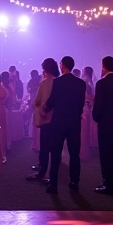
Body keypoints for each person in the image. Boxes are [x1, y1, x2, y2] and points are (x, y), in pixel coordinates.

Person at [44, 55, 87, 193]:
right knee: (75, 153)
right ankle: (74, 181)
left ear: (63, 65)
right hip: (74, 122)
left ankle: (53, 183)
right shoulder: (81, 83)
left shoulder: (58, 82)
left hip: (59, 122)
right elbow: (81, 104)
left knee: (55, 152)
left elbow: (52, 101)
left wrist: (46, 107)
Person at [92, 56, 113, 194]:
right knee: (112, 153)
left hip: (106, 123)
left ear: (103, 65)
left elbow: (98, 104)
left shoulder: (101, 83)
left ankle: (108, 183)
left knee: (105, 154)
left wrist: (95, 117)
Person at [26, 58, 59, 182]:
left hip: (45, 118)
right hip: (57, 119)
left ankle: (42, 171)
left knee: (44, 146)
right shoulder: (59, 82)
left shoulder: (44, 83)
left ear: (45, 69)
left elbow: (37, 101)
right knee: (55, 147)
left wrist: (36, 107)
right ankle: (52, 173)